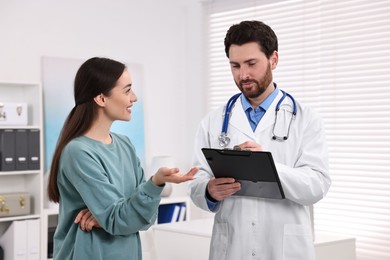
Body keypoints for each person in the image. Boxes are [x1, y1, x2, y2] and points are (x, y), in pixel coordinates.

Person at [188, 20, 331, 260]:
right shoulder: (213, 121)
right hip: (232, 247)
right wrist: (209, 190)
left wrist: (267, 166)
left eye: (251, 64)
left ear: (273, 59)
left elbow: (317, 184)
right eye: (235, 65)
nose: (243, 74)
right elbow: (195, 182)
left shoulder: (306, 118)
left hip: (284, 249)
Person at [47, 57, 198, 260]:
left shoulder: (125, 145)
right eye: (127, 90)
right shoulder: (78, 152)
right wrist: (154, 183)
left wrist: (108, 216)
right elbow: (121, 218)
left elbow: (145, 218)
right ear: (101, 98)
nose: (134, 97)